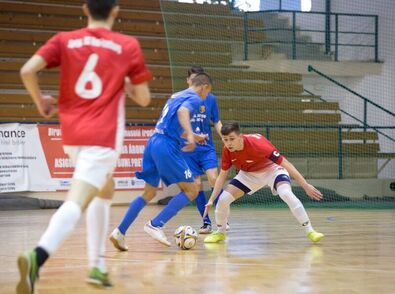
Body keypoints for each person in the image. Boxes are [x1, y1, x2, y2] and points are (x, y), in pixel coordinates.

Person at [16, 1, 151, 293]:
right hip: (102, 138)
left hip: (72, 135)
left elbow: (28, 70)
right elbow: (143, 99)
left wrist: (41, 101)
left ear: (85, 8)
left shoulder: (65, 39)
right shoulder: (127, 45)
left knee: (106, 189)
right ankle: (37, 256)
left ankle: (98, 267)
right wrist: (125, 83)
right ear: (115, 11)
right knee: (76, 201)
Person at [110, 73, 212, 249]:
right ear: (204, 87)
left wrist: (194, 135)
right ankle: (156, 224)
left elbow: (173, 125)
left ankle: (120, 231)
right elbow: (183, 112)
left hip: (154, 142)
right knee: (192, 189)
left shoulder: (176, 95)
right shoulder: (195, 99)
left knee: (148, 193)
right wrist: (189, 134)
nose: (206, 97)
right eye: (208, 92)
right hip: (166, 146)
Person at [203, 121, 324, 244]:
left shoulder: (259, 144)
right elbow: (222, 176)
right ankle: (220, 232)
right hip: (248, 175)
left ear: (240, 136)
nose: (228, 143)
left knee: (286, 193)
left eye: (232, 139)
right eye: (225, 139)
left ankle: (310, 231)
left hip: (272, 170)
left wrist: (305, 185)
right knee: (223, 199)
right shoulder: (227, 150)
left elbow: (286, 163)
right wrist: (211, 200)